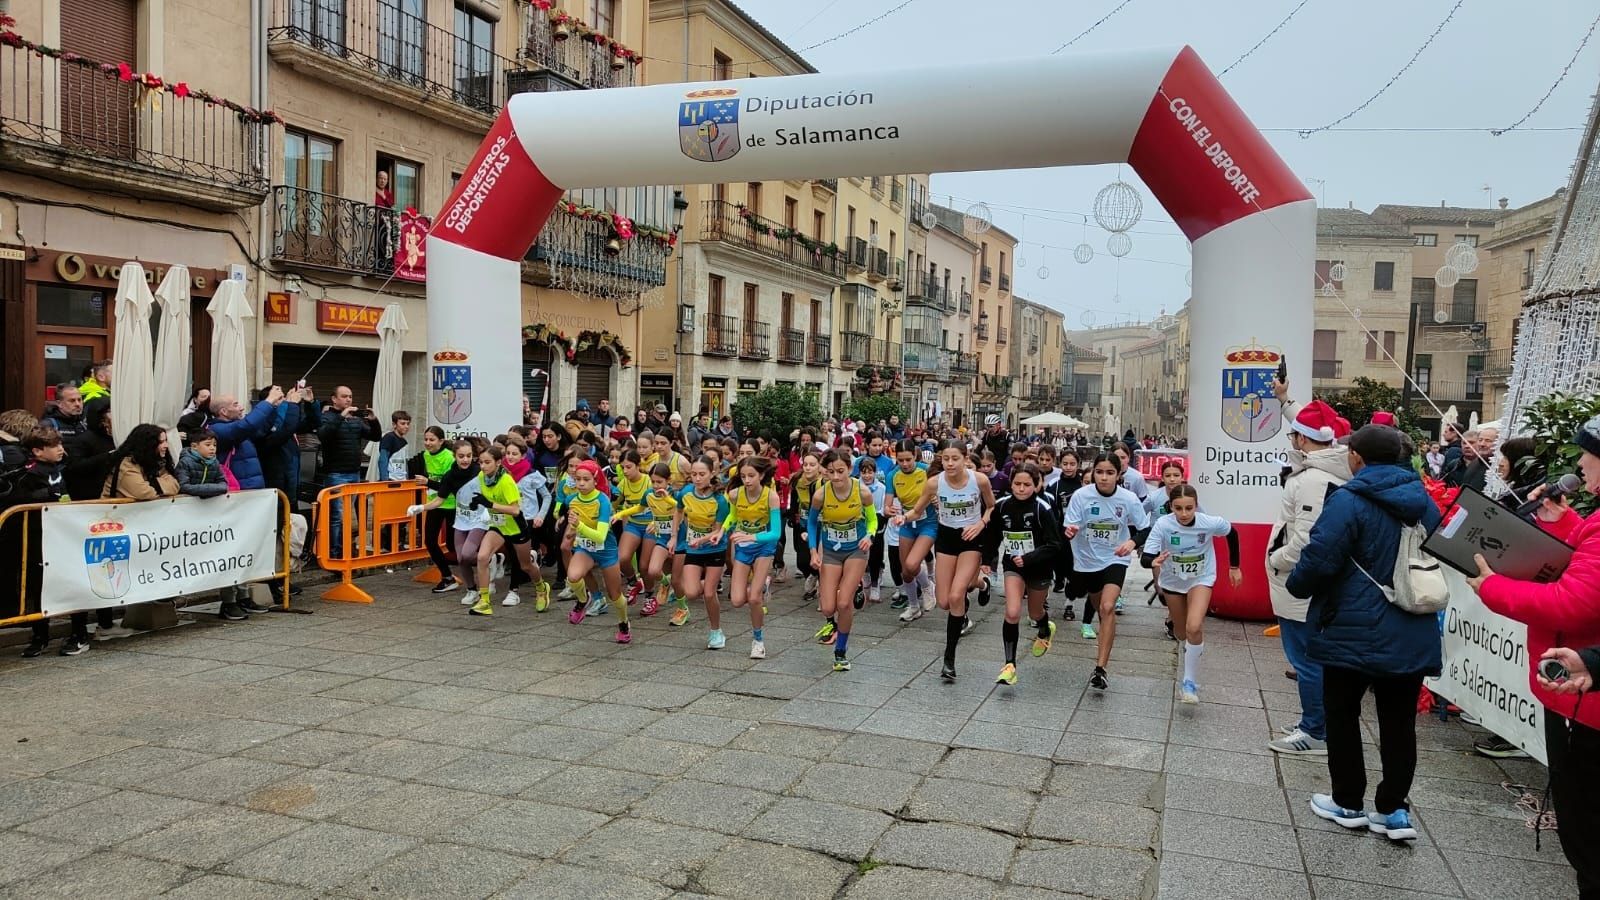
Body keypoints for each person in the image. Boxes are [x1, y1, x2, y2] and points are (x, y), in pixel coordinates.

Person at [1286, 425, 1442, 843]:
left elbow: (1320, 557)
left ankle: (1348, 800)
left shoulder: (1348, 499)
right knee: (1399, 722)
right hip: (1411, 623)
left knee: (1341, 713)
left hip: (1350, 626)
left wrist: (1295, 585)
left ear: (1356, 456)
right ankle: (1393, 810)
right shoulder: (1424, 502)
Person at [1467, 415, 1600, 893]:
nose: (1580, 464)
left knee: (1588, 837)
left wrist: (1492, 587)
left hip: (1587, 707)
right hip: (1580, 696)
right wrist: (1563, 522)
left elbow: (1574, 601)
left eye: (1588, 454)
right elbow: (1585, 563)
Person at [1267, 397, 1351, 756]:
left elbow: (1305, 540)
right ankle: (1314, 721)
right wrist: (1286, 400)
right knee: (1310, 658)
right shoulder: (1327, 469)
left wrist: (1276, 559)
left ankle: (1315, 730)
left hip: (1299, 582)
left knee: (1306, 659)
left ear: (1302, 439)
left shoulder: (1313, 479)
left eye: (1293, 435)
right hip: (1309, 582)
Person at [903, 440, 997, 682]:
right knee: (944, 601)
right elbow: (917, 511)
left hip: (971, 539)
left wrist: (981, 523)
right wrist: (902, 518)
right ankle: (980, 585)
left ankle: (949, 658)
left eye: (955, 458)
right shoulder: (934, 483)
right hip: (946, 539)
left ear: (965, 458)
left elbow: (991, 507)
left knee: (956, 596)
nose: (950, 463)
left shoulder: (979, 480)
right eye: (946, 459)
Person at [1142, 484, 1240, 703]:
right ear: (1171, 507)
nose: (1184, 514)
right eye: (1178, 508)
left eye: (1189, 508)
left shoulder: (1209, 522)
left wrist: (1234, 567)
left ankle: (1189, 682)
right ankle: (1190, 652)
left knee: (1194, 626)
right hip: (1173, 581)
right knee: (1181, 633)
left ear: (1196, 506)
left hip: (1201, 578)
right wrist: (1153, 561)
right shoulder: (1163, 524)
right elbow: (1146, 556)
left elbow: (1232, 533)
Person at [1063, 452, 1149, 690]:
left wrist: (1132, 542)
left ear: (1119, 474)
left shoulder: (1128, 499)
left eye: (1110, 473)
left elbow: (1144, 528)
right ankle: (1103, 630)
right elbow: (1068, 525)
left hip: (1115, 558)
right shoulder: (1081, 496)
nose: (1103, 478)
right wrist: (1070, 531)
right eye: (1099, 472)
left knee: (1108, 606)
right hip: (1086, 561)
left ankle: (1100, 669)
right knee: (1092, 602)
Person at [981, 462, 1063, 686]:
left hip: (1039, 567)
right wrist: (987, 560)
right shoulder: (1002, 506)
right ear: (1011, 483)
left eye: (1027, 484)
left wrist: (1030, 557)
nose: (1021, 488)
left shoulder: (1042, 509)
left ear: (1036, 485)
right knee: (1012, 612)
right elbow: (993, 536)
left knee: (1035, 613)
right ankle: (1010, 666)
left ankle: (1045, 628)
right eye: (1017, 483)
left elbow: (1055, 544)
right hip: (1013, 566)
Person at [17, 428, 90, 656]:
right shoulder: (28, 473)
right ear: (38, 451)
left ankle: (79, 633)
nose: (60, 449)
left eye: (61, 444)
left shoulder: (62, 468)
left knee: (72, 582)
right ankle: (40, 635)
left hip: (65, 535)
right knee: (39, 587)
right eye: (54, 446)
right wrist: (47, 496)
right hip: (40, 538)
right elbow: (24, 499)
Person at [807, 449, 875, 672]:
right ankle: (834, 621)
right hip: (831, 550)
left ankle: (841, 652)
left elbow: (873, 520)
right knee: (828, 607)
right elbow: (812, 523)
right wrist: (813, 552)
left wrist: (869, 535)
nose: (836, 477)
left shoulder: (862, 492)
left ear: (849, 469)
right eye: (830, 472)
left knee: (844, 603)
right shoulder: (821, 495)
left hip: (856, 549)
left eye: (840, 471)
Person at [671, 456, 730, 649]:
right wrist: (674, 536)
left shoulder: (719, 500)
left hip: (714, 548)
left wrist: (701, 539)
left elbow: (718, 531)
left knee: (709, 594)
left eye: (702, 474)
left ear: (712, 473)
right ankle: (706, 582)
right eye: (694, 474)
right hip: (693, 548)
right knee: (691, 592)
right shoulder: (686, 492)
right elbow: (678, 511)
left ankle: (716, 631)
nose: (697, 478)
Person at [726, 456, 782, 659]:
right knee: (737, 600)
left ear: (762, 475)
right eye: (743, 476)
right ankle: (763, 586)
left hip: (764, 546)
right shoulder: (735, 494)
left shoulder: (771, 497)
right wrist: (723, 530)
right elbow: (733, 516)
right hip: (743, 547)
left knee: (754, 598)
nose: (747, 480)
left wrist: (752, 536)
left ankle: (758, 641)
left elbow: (776, 533)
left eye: (751, 476)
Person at [319, 386, 382, 557]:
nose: (348, 399)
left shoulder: (355, 420)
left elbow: (375, 437)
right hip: (336, 474)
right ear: (334, 399)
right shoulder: (327, 417)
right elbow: (324, 435)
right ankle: (334, 552)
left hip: (354, 472)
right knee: (336, 516)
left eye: (350, 396)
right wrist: (341, 416)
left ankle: (345, 549)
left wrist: (373, 420)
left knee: (347, 515)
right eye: (344, 396)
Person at [887, 440, 936, 622]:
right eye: (901, 460)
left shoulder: (926, 470)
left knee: (912, 564)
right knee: (906, 572)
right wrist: (889, 510)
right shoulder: (893, 475)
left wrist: (937, 499)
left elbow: (941, 490)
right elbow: (887, 505)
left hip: (928, 523)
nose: (905, 464)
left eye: (908, 459)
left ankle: (927, 585)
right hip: (907, 523)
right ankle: (914, 607)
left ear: (915, 456)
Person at [409, 426, 463, 592]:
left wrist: (428, 482)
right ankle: (447, 577)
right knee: (430, 541)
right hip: (435, 504)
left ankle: (490, 559)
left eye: (432, 440)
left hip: (452, 504)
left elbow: (448, 486)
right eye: (426, 439)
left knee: (454, 545)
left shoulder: (449, 458)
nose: (428, 443)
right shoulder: (426, 455)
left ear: (441, 441)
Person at [377, 411, 412, 481]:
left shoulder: (404, 442)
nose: (406, 426)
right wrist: (385, 480)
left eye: (408, 424)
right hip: (391, 479)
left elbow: (405, 463)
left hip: (402, 480)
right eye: (403, 423)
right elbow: (383, 460)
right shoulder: (388, 437)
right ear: (394, 424)